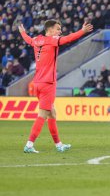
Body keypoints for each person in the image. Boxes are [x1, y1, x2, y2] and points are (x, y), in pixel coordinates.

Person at [19, 20, 93, 153]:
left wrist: (22, 32)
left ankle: (59, 145)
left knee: (52, 113)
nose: (60, 32)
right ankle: (29, 144)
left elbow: (28, 39)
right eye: (58, 29)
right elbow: (68, 38)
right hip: (48, 83)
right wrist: (82, 31)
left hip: (37, 83)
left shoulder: (37, 40)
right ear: (50, 30)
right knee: (43, 114)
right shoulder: (52, 39)